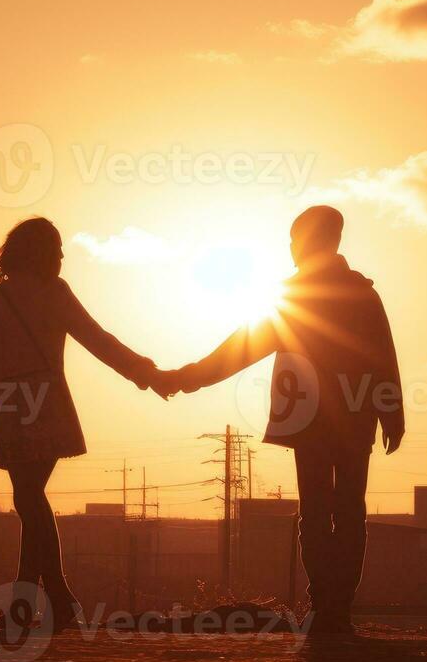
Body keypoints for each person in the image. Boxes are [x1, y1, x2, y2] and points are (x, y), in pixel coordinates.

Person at [156, 206, 403, 635]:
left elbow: (242, 348)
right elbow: (383, 354)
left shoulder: (294, 296)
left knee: (317, 510)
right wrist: (391, 411)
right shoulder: (360, 293)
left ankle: (325, 603)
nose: (290, 248)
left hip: (309, 417)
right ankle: (336, 606)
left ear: (307, 241)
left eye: (294, 239)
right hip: (354, 414)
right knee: (348, 511)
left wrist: (190, 377)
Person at [0, 217, 160, 630]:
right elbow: (97, 338)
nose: (62, 255)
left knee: (28, 498)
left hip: (17, 406)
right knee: (30, 498)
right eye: (56, 247)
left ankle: (46, 595)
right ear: (39, 251)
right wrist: (141, 371)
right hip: (49, 402)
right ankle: (40, 596)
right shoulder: (55, 294)